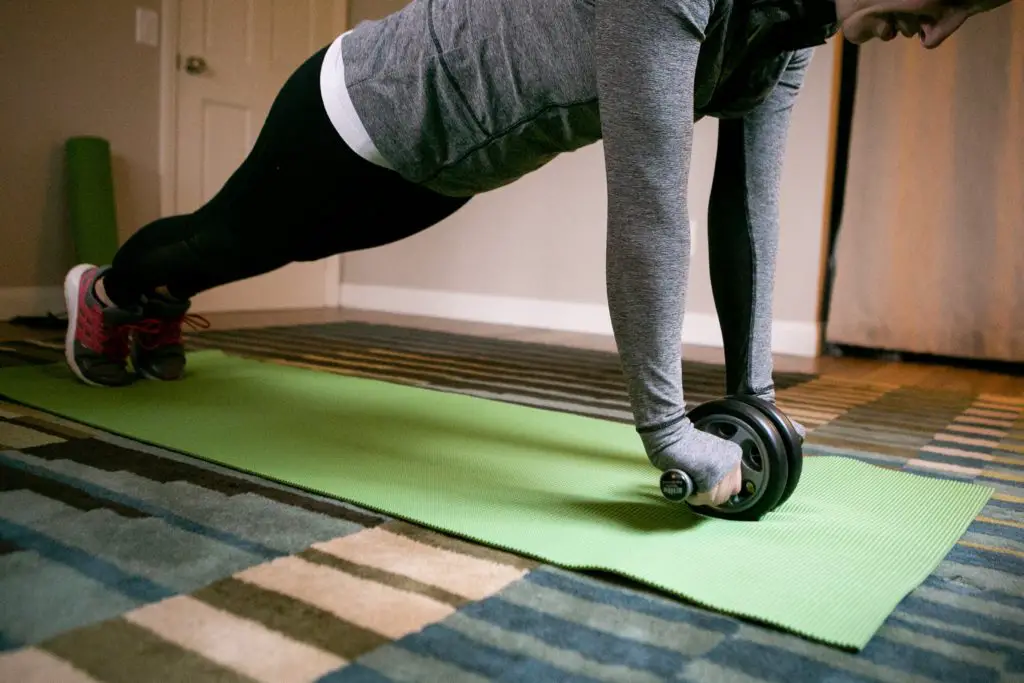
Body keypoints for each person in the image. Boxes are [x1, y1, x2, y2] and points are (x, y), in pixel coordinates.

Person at [61, 0, 1005, 508]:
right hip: (368, 105)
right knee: (233, 238)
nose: (939, 32)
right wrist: (670, 434)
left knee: (270, 248)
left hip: (449, 167)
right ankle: (115, 290)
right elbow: (650, 208)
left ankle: (159, 290)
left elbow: (746, 211)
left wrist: (753, 399)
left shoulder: (787, 29)